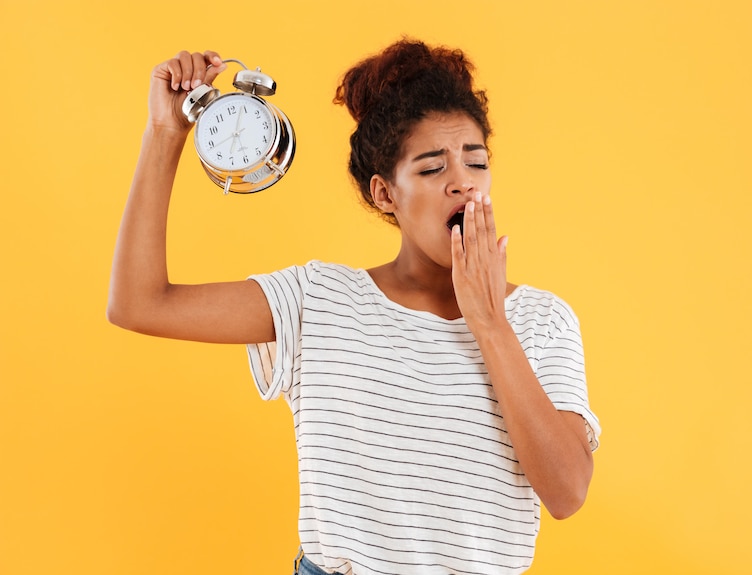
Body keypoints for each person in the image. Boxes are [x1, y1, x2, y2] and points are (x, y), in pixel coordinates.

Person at [108, 39, 601, 575]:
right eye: (432, 169)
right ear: (384, 194)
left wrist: (489, 322)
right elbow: (139, 303)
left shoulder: (541, 320)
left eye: (476, 162)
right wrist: (164, 134)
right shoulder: (317, 301)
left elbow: (566, 493)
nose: (462, 181)